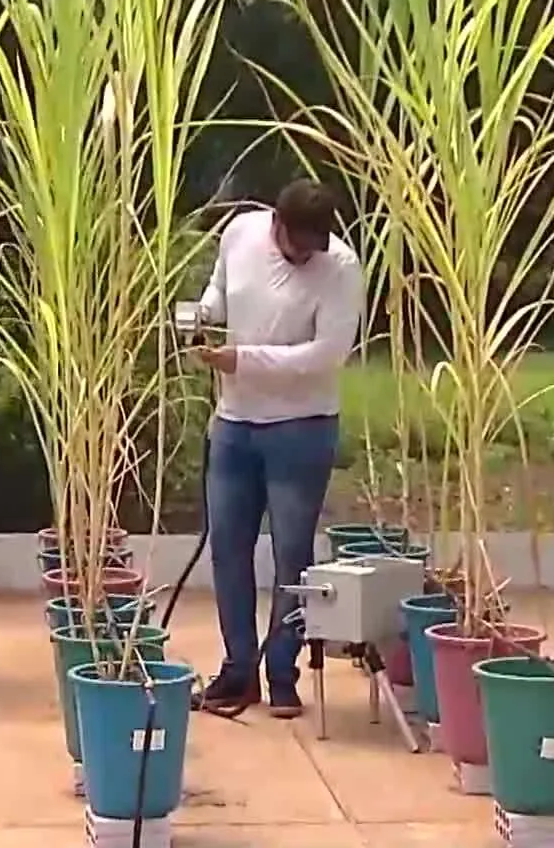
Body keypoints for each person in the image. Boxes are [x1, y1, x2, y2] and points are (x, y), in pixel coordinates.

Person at [191, 179, 363, 719]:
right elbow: (222, 289)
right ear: (277, 226)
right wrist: (203, 314)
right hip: (235, 423)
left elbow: (327, 354)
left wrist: (244, 360)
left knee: (292, 553)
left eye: (316, 246)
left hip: (302, 427)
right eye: (298, 246)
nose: (306, 256)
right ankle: (238, 669)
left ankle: (282, 671)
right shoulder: (241, 233)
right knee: (227, 548)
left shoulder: (340, 266)